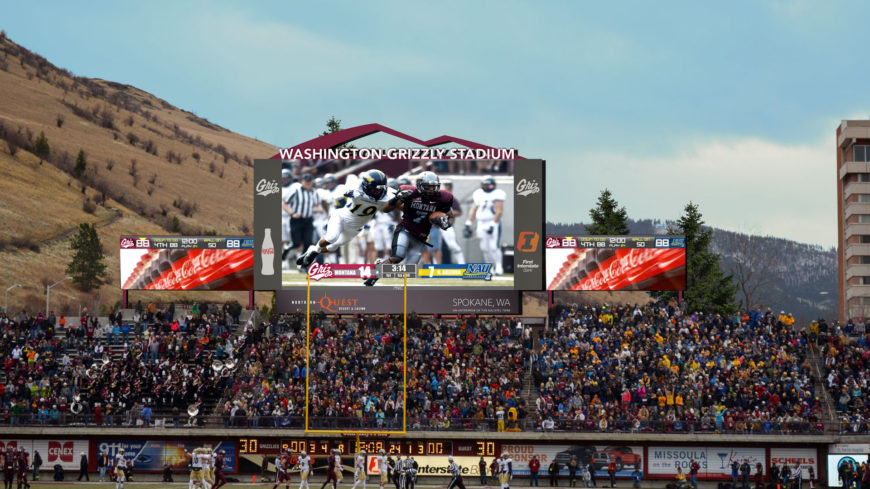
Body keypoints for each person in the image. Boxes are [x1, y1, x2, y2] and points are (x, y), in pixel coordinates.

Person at [364, 171, 454, 286]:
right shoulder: (409, 192)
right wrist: (396, 198)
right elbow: (385, 209)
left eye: (433, 186)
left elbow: (450, 217)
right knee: (397, 257)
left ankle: (399, 285)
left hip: (421, 236)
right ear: (419, 185)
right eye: (427, 186)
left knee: (410, 267)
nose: (431, 189)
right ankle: (374, 276)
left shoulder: (443, 198)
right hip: (405, 229)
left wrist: (447, 224)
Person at [298, 170, 396, 269]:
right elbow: (345, 188)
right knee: (331, 237)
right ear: (367, 186)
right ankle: (314, 252)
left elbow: (397, 197)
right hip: (341, 217)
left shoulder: (387, 193)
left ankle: (313, 249)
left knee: (333, 247)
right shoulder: (357, 187)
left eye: (380, 189)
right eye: (375, 189)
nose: (378, 192)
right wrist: (351, 192)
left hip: (355, 228)